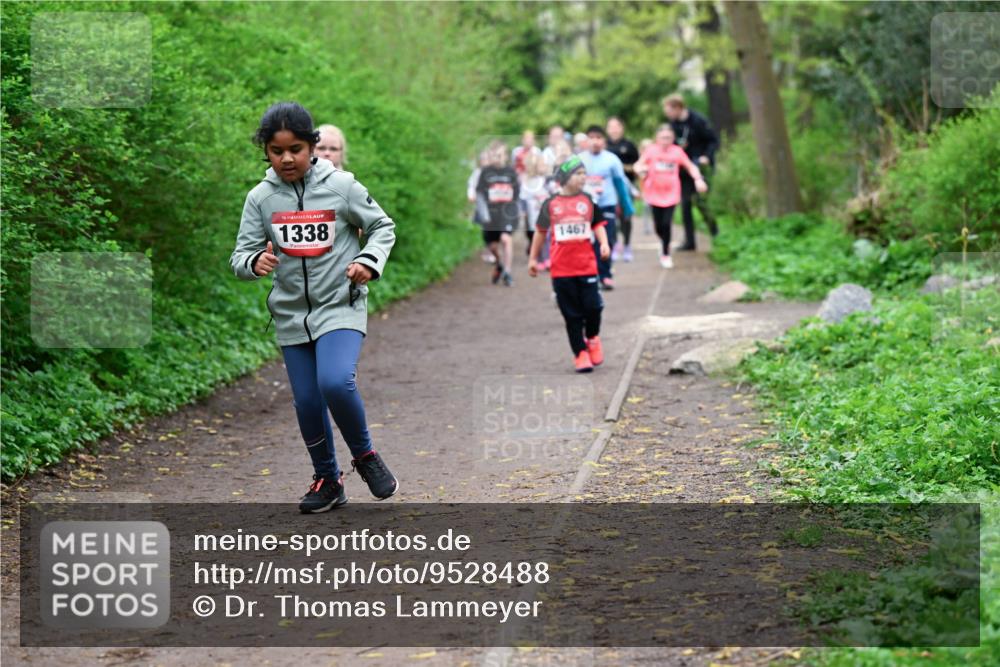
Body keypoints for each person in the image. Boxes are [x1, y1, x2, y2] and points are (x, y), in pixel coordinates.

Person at [230, 102, 399, 513]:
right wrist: (254, 262)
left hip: (340, 305)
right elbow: (240, 255)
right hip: (291, 315)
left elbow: (382, 226)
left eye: (296, 149)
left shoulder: (341, 186)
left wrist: (367, 261)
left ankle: (365, 457)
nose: (287, 158)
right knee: (307, 401)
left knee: (335, 382)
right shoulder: (261, 198)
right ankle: (327, 480)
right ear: (266, 152)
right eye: (276, 151)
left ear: (311, 147)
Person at [528, 156, 610, 373]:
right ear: (564, 178)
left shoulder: (588, 201)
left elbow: (598, 225)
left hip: (587, 266)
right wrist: (533, 258)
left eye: (584, 174)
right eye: (578, 174)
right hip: (562, 270)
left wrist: (604, 243)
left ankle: (592, 337)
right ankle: (580, 353)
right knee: (571, 314)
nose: (583, 178)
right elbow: (540, 232)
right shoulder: (550, 205)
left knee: (593, 307)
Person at [635, 125, 708, 269]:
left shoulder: (677, 152)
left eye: (668, 138)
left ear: (673, 138)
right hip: (654, 193)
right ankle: (664, 242)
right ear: (657, 138)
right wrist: (641, 170)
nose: (665, 141)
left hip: (671, 193)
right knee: (658, 226)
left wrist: (698, 179)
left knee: (667, 223)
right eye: (663, 138)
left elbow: (690, 166)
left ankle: (665, 254)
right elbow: (638, 165)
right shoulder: (651, 150)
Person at [578, 125, 633, 290]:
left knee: (606, 240)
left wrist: (627, 206)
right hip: (585, 207)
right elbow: (565, 179)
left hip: (606, 205)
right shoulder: (578, 159)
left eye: (599, 138)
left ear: (604, 141)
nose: (595, 141)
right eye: (591, 138)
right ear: (586, 141)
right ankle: (590, 274)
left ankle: (605, 275)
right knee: (587, 242)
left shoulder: (612, 159)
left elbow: (620, 184)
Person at [662, 94, 720, 249]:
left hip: (701, 167)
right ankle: (690, 241)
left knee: (701, 202)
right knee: (685, 203)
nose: (668, 115)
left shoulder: (698, 120)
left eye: (669, 111)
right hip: (683, 169)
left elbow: (713, 141)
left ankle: (715, 232)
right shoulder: (672, 125)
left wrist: (706, 156)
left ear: (678, 108)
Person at [476, 140, 519, 286]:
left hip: (506, 213)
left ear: (506, 156)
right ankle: (499, 264)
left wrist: (514, 210)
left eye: (500, 155)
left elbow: (516, 194)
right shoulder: (485, 172)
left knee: (506, 239)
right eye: (494, 155)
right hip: (490, 214)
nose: (497, 158)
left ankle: (507, 272)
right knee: (493, 247)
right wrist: (484, 214)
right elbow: (480, 193)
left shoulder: (511, 172)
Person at [605, 117, 640, 262]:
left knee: (626, 218)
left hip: (626, 188)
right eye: (611, 127)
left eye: (616, 126)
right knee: (610, 218)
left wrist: (624, 169)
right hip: (608, 189)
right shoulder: (604, 146)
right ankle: (613, 245)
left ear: (622, 128)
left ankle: (627, 245)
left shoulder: (629, 146)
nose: (614, 130)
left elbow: (637, 166)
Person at [519, 151, 549, 269]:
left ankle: (547, 258)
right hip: (533, 213)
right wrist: (523, 211)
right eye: (541, 164)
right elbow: (522, 198)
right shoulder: (526, 182)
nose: (544, 166)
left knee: (547, 236)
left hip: (545, 212)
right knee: (536, 236)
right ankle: (539, 258)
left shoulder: (545, 180)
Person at [468, 149, 497, 264]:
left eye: (487, 159)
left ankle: (492, 249)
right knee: (486, 224)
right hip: (482, 203)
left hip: (494, 203)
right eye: (483, 159)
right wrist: (471, 195)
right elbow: (471, 185)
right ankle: (487, 250)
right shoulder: (477, 173)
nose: (484, 161)